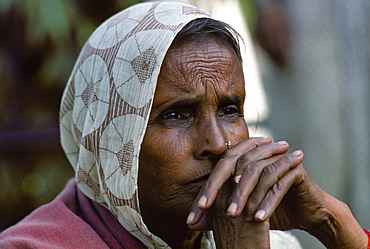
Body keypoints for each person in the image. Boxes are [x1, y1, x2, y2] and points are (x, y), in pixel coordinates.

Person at [0, 1, 368, 248]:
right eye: (177, 114)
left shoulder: (268, 239)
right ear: (109, 138)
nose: (218, 143)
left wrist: (336, 225)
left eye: (229, 109)